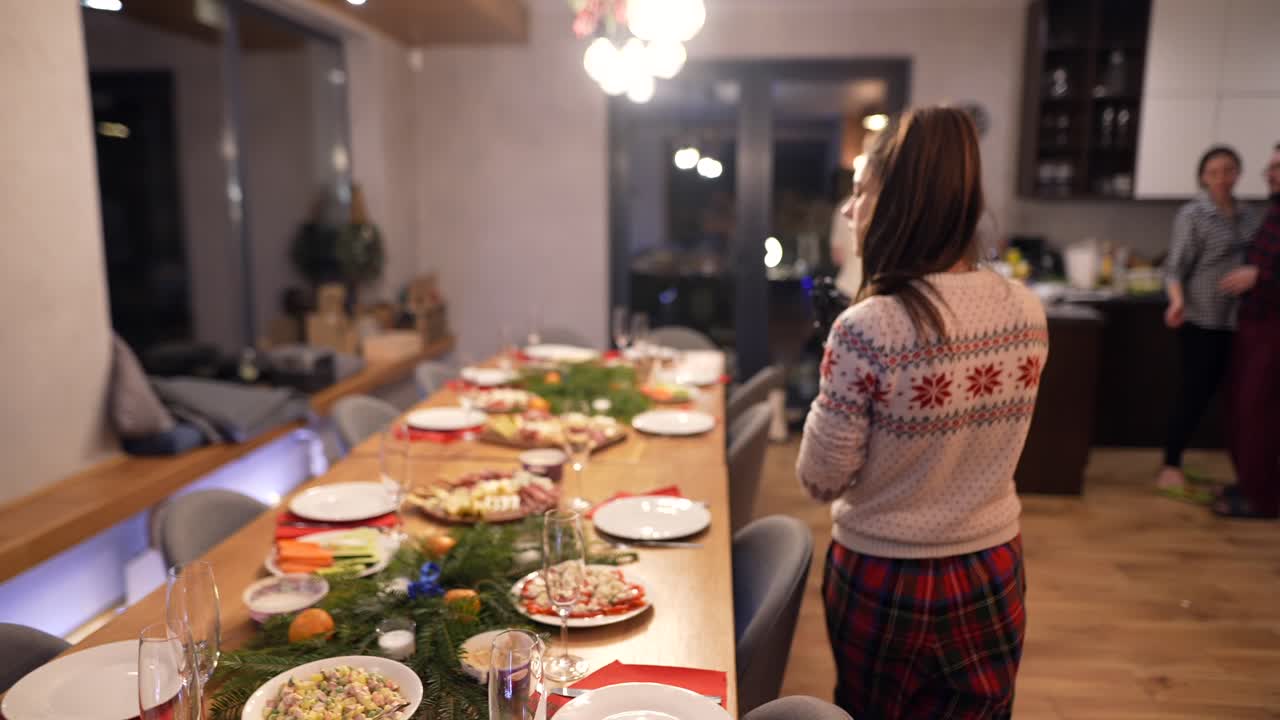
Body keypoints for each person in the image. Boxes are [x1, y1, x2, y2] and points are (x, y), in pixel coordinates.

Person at [796, 106, 1048, 719]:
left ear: (899, 201)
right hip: (991, 568)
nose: (850, 210)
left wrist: (829, 381)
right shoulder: (1026, 311)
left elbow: (820, 479)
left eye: (861, 192)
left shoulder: (869, 327)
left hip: (885, 577)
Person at [1157, 146, 1262, 493]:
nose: (1222, 178)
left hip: (1241, 319)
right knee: (1194, 392)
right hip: (1201, 317)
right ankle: (1171, 464)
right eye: (1214, 172)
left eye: (1228, 170)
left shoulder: (1250, 215)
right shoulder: (1193, 214)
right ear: (1203, 177)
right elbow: (1175, 267)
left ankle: (1243, 471)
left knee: (1238, 395)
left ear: (1238, 174)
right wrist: (1176, 302)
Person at [1216, 142, 1280, 518]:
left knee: (1259, 411)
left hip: (1272, 326)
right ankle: (1250, 484)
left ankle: (1262, 499)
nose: (1270, 174)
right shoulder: (1274, 211)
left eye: (1277, 168)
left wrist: (1260, 277)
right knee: (1242, 409)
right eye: (1270, 168)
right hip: (1253, 322)